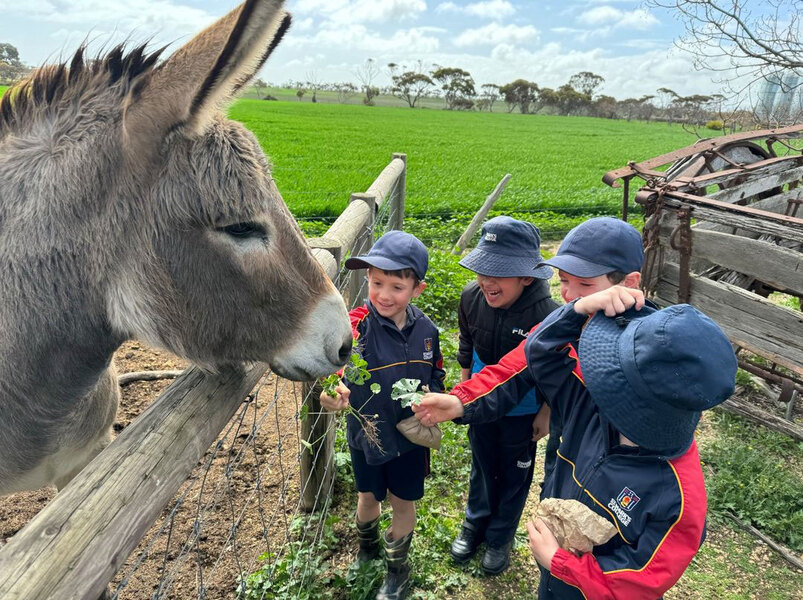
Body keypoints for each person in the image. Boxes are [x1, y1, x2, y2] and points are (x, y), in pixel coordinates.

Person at [522, 287, 736, 598]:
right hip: (554, 568)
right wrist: (579, 308)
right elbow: (540, 351)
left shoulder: (681, 498)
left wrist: (561, 563)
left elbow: (642, 580)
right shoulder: (589, 403)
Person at [412, 217, 644, 480]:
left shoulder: (651, 341)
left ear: (629, 282)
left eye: (585, 285)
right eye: (564, 280)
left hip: (621, 470)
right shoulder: (561, 326)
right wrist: (460, 401)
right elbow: (512, 368)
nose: (568, 295)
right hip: (566, 446)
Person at [320, 230, 445, 600]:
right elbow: (335, 369)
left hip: (408, 439)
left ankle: (397, 571)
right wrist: (334, 389)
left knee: (403, 502)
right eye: (376, 283)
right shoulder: (356, 325)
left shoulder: (427, 333)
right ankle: (367, 548)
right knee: (368, 497)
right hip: (366, 436)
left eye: (396, 286)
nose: (384, 295)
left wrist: (433, 396)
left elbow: (436, 374)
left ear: (416, 290)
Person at [450, 216, 558, 575]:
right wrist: (464, 386)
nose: (486, 281)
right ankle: (474, 523)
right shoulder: (471, 297)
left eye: (499, 273)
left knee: (514, 473)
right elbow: (467, 341)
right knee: (481, 463)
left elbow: (552, 370)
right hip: (480, 402)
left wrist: (545, 412)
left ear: (527, 276)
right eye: (483, 270)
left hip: (523, 408)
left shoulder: (548, 314)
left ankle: (500, 536)